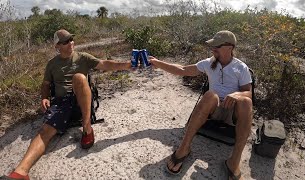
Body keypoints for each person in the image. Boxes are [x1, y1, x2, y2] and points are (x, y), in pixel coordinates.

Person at [1, 29, 131, 180]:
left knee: (79, 78)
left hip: (80, 102)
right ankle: (21, 172)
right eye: (65, 42)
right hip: (61, 104)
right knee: (44, 132)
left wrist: (128, 65)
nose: (70, 43)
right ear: (57, 46)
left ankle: (87, 128)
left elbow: (105, 64)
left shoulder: (82, 57)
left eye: (71, 40)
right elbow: (45, 84)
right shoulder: (52, 64)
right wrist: (44, 97)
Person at [149, 30, 252, 180]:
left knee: (246, 102)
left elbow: (248, 92)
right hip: (214, 109)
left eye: (217, 46)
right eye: (213, 45)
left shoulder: (241, 68)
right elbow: (182, 70)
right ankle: (184, 149)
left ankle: (233, 162)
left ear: (230, 47)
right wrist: (157, 62)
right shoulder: (209, 63)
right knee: (210, 95)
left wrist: (237, 95)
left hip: (232, 112)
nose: (213, 49)